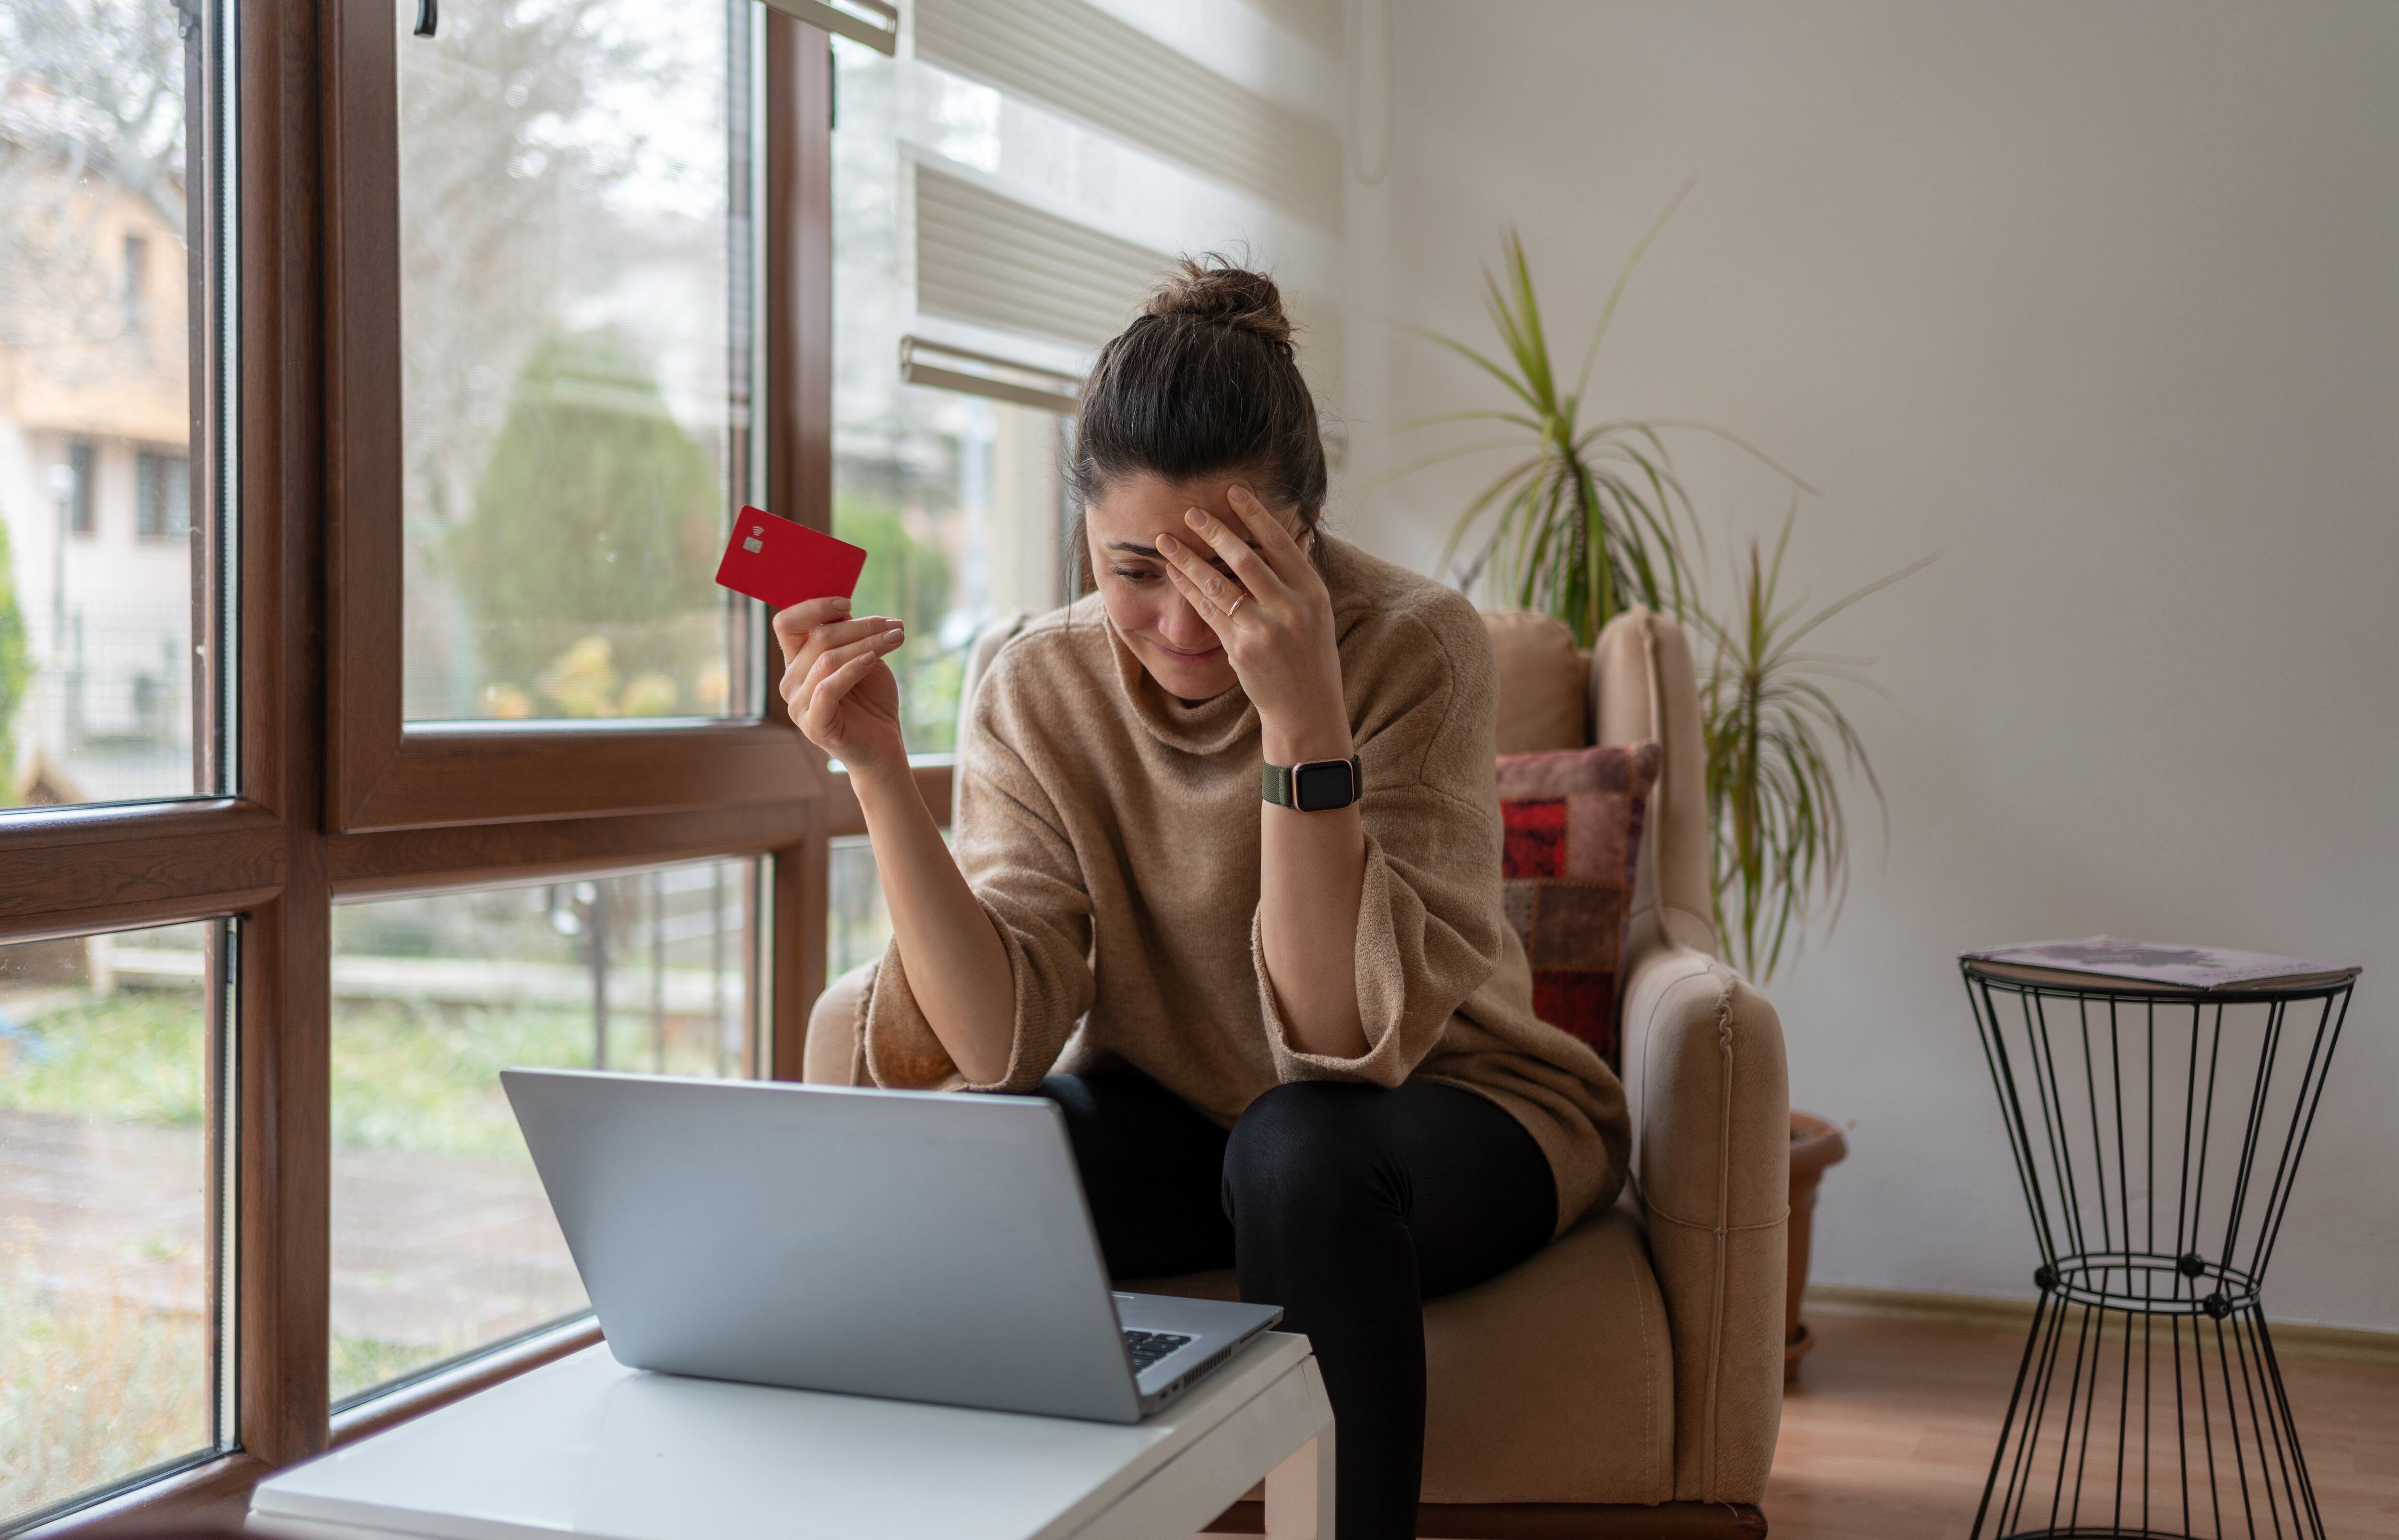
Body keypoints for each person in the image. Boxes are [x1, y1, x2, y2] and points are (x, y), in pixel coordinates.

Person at [774, 258, 1630, 1540]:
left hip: (1445, 1112)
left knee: (1300, 1150)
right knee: (975, 1165)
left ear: (1309, 527)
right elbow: (996, 1043)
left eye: (1225, 567)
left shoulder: (1413, 641)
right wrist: (879, 770)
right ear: (1082, 538)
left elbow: (1341, 1042)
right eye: (1134, 570)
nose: (1181, 623)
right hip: (1187, 1115)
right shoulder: (1035, 683)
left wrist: (1302, 715)